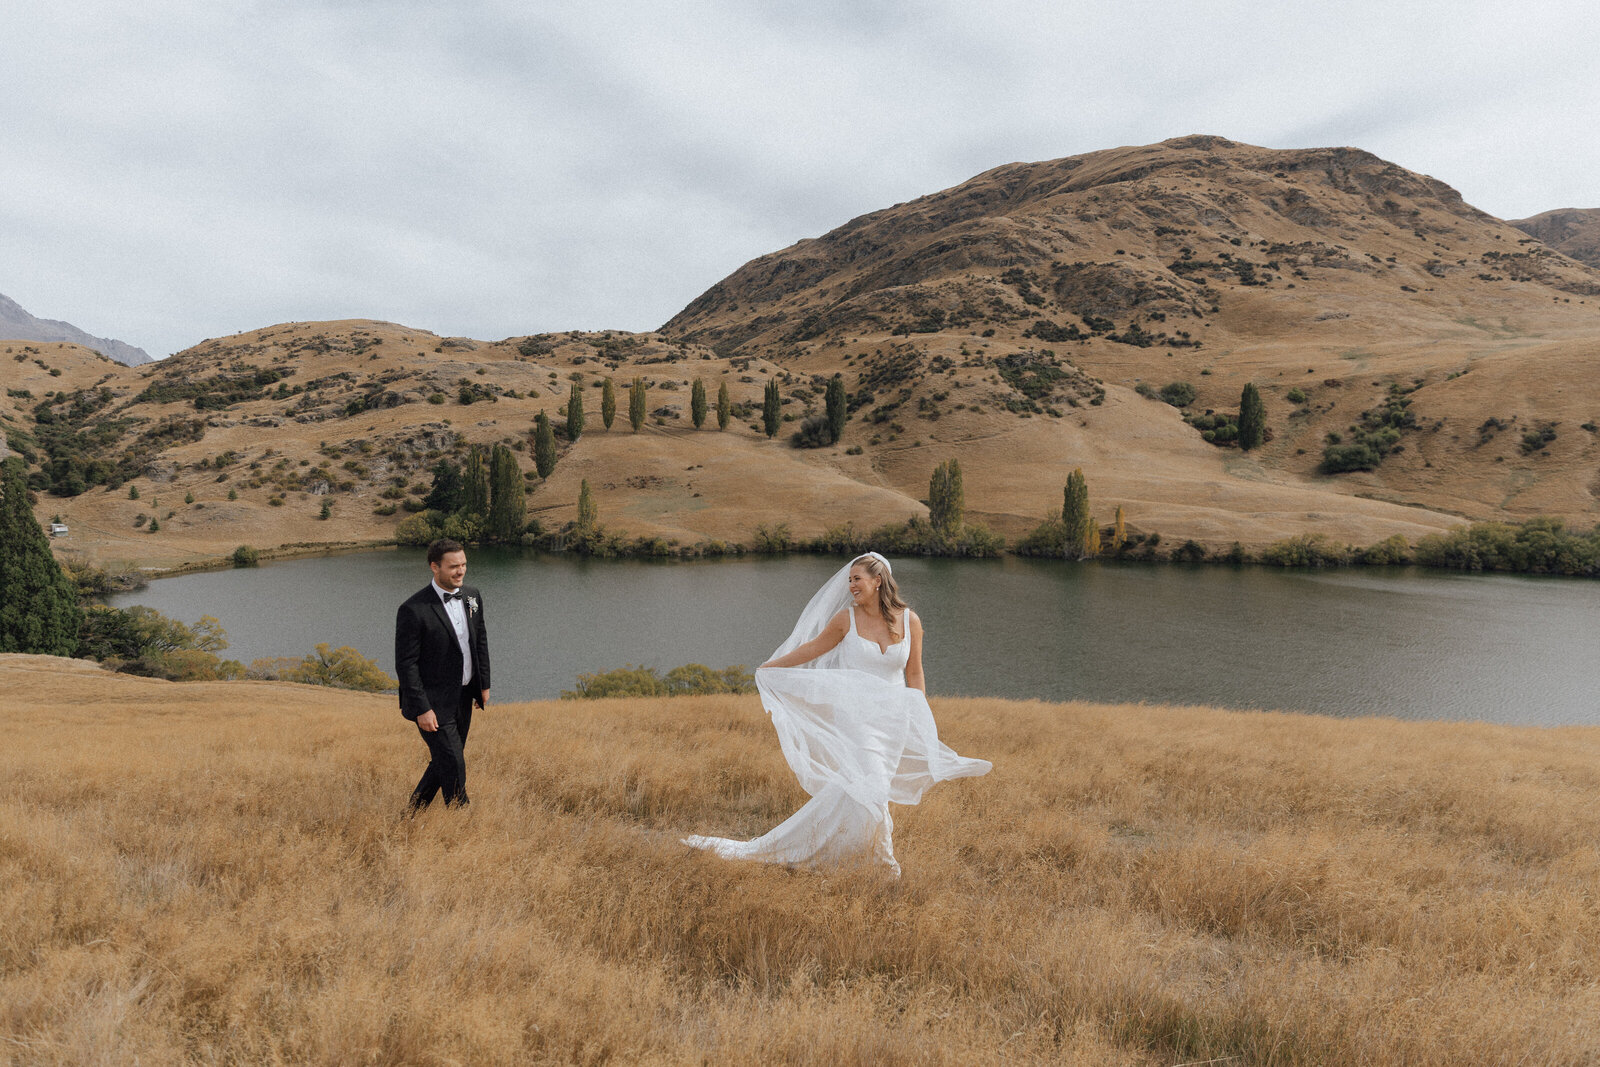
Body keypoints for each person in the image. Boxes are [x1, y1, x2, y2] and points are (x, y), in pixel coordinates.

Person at [684, 552, 989, 875]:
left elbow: (914, 674)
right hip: (856, 718)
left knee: (865, 790)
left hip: (893, 720)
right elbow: (812, 649)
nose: (851, 585)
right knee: (870, 786)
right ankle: (885, 865)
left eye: (857, 579)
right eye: (849, 579)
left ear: (878, 580)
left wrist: (919, 713)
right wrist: (772, 667)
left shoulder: (910, 620)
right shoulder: (846, 619)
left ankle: (840, 853)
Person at [395, 538, 490, 811]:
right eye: (453, 567)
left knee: (445, 759)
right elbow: (406, 665)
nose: (460, 571)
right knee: (453, 761)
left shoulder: (472, 596)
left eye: (463, 565)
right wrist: (422, 709)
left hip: (463, 695)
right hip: (432, 702)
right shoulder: (413, 609)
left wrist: (483, 684)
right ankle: (462, 817)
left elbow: (479, 641)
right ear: (434, 567)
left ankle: (412, 813)